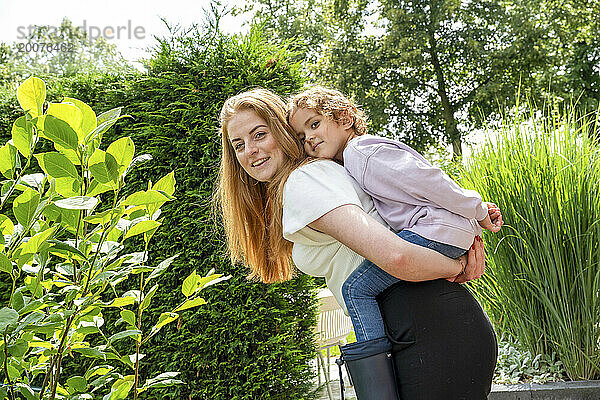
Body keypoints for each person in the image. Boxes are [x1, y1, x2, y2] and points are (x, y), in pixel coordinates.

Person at [215, 88, 497, 399]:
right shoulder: (310, 177)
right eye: (238, 145)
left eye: (259, 135)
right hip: (424, 326)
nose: (250, 150)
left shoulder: (304, 182)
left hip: (427, 331)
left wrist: (458, 267)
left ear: (282, 133)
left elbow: (396, 256)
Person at [287, 86, 503, 370]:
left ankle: (377, 371)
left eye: (315, 124)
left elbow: (428, 181)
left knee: (355, 289)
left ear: (344, 118)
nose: (310, 138)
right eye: (302, 137)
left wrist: (475, 208)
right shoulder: (353, 160)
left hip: (432, 231)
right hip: (439, 231)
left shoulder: (362, 152)